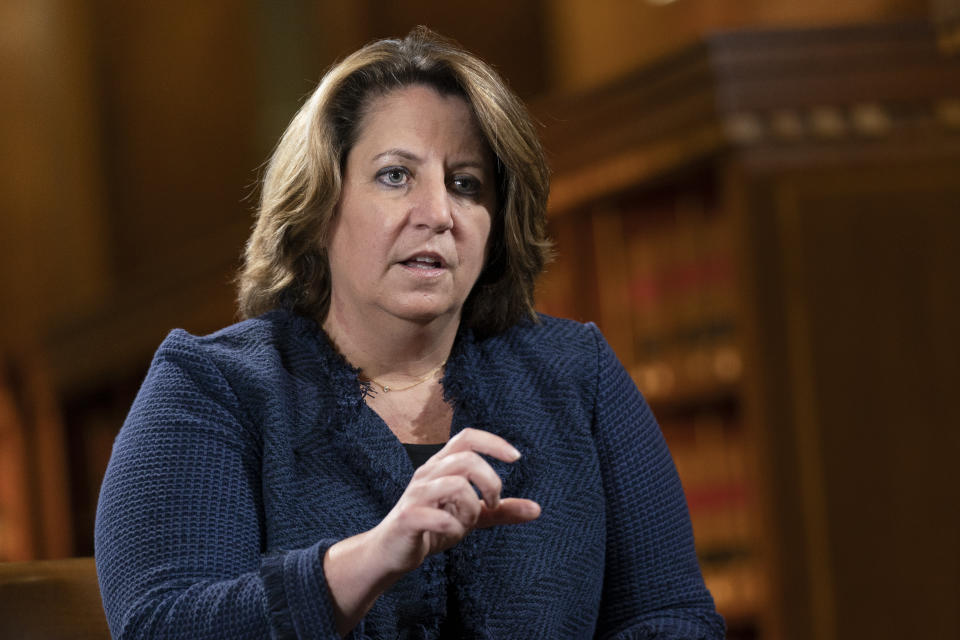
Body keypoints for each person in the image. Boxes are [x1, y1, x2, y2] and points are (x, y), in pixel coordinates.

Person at [94, 26, 725, 639]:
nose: (439, 214)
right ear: (319, 204)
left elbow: (672, 616)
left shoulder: (575, 374)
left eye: (465, 184)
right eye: (396, 175)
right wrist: (372, 557)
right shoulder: (211, 387)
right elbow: (161, 624)